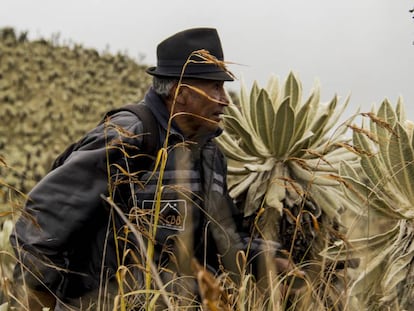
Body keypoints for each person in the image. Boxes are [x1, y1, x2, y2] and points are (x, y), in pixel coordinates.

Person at [10, 28, 298, 310]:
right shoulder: (128, 135)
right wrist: (37, 296)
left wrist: (267, 259)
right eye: (215, 87)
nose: (225, 99)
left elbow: (223, 238)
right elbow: (44, 217)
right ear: (183, 92)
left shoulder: (211, 154)